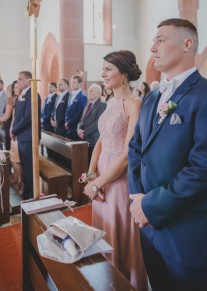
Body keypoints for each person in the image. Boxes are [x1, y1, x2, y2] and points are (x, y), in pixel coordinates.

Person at [128, 18, 207, 291]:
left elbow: (203, 169)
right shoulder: (152, 98)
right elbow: (136, 150)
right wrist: (138, 199)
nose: (152, 47)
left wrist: (150, 205)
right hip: (151, 228)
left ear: (187, 44)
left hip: (191, 235)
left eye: (160, 40)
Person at [83, 50, 148, 291]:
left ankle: (126, 284)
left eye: (108, 69)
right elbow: (100, 141)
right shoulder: (111, 102)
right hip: (101, 174)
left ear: (124, 74)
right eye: (103, 68)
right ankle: (106, 283)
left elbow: (128, 155)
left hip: (119, 179)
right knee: (104, 233)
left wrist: (98, 183)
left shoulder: (134, 104)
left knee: (119, 233)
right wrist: (91, 175)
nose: (103, 73)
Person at [11, 71, 41, 199]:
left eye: (20, 79)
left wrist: (14, 130)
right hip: (22, 136)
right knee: (24, 165)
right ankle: (28, 189)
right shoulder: (23, 94)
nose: (18, 82)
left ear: (29, 80)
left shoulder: (33, 94)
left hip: (29, 137)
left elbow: (28, 116)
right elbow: (18, 115)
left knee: (29, 167)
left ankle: (31, 193)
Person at [77, 84, 106, 160]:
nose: (88, 92)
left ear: (98, 93)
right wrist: (79, 129)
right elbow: (81, 120)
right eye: (88, 91)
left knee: (91, 162)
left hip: (93, 139)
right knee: (84, 162)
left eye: (91, 91)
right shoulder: (87, 104)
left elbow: (97, 122)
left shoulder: (102, 105)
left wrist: (84, 133)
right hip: (83, 138)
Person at [65, 75, 87, 139]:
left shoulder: (82, 96)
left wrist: (69, 123)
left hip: (75, 128)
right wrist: (66, 122)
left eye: (74, 83)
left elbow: (79, 113)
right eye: (71, 82)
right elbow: (67, 110)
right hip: (68, 127)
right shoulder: (71, 95)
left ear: (79, 84)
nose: (72, 84)